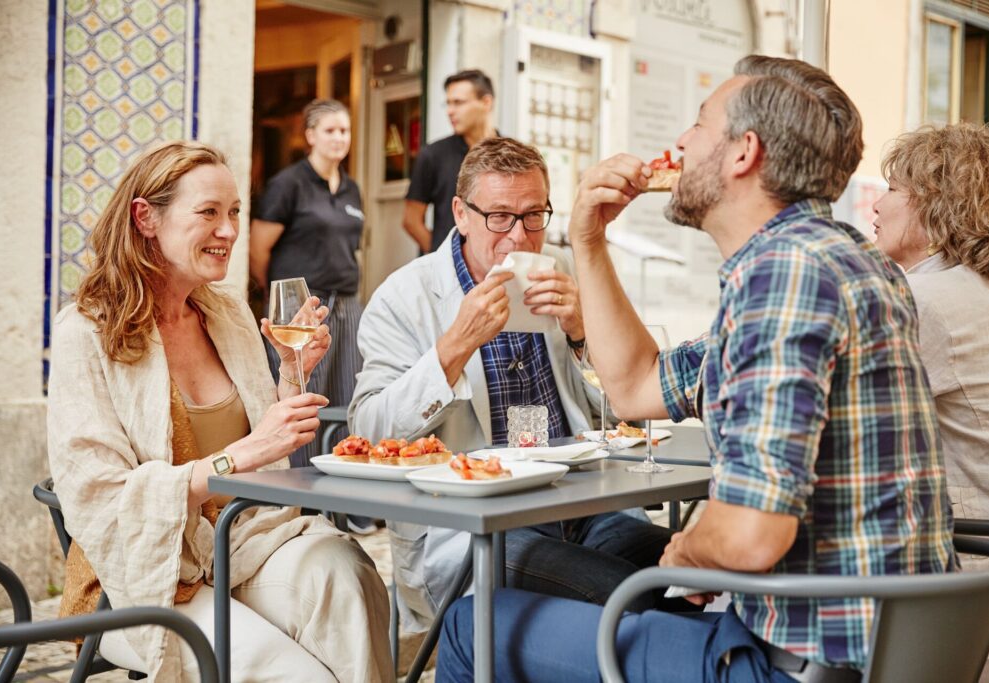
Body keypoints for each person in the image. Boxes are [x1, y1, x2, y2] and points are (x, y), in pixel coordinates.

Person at [437, 56, 955, 682]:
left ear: (744, 152)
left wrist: (688, 547)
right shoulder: (847, 260)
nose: (680, 142)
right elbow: (633, 386)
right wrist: (588, 238)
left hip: (794, 664)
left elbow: (751, 538)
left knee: (476, 624)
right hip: (885, 651)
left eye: (700, 124)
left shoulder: (782, 280)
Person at [47, 141, 393, 682]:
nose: (230, 230)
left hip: (242, 543)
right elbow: (98, 496)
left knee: (348, 575)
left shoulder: (226, 315)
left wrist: (290, 373)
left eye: (234, 212)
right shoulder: (87, 333)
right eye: (208, 212)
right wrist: (237, 457)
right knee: (302, 677)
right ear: (146, 218)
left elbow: (265, 450)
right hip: (141, 573)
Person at [351, 136, 679, 633]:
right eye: (499, 217)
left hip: (577, 500)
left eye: (533, 216)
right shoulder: (404, 296)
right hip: (475, 523)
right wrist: (454, 347)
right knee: (628, 597)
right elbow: (369, 434)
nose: (519, 239)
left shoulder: (565, 270)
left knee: (689, 573)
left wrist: (582, 334)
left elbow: (625, 409)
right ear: (460, 214)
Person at [872, 123, 989, 683]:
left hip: (978, 591)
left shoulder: (927, 300)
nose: (877, 204)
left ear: (936, 204)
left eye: (893, 189)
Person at [250, 99, 365, 469]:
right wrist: (281, 301)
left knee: (346, 400)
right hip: (303, 311)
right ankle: (298, 498)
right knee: (300, 401)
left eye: (344, 130)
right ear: (311, 136)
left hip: (347, 305)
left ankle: (348, 502)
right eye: (330, 130)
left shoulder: (352, 189)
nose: (339, 138)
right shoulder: (288, 184)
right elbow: (258, 249)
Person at [403, 69, 497, 253]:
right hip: (446, 274)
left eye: (458, 103)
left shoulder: (508, 153)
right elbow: (411, 220)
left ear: (486, 102)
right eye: (448, 103)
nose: (450, 111)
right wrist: (443, 257)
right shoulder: (432, 155)